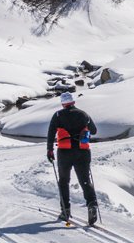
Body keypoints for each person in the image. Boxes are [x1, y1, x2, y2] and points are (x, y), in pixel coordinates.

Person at [46, 92, 99, 225]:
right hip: (82, 152)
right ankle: (92, 205)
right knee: (85, 180)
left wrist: (50, 150)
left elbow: (51, 133)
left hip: (65, 153)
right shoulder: (83, 114)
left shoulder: (58, 115)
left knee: (64, 181)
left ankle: (65, 211)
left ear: (63, 103)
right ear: (73, 102)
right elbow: (94, 131)